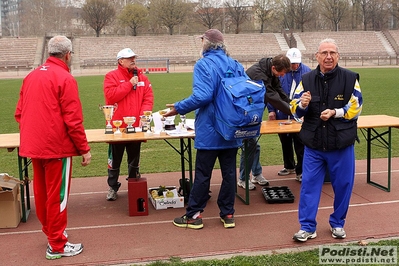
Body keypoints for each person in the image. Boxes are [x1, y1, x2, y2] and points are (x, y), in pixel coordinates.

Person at [14, 35, 92, 259]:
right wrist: (84, 149)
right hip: (56, 147)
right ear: (68, 55)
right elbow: (73, 120)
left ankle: (51, 234)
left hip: (34, 145)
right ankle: (57, 243)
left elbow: (19, 113)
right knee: (58, 196)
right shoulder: (65, 79)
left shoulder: (31, 76)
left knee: (42, 193)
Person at [164, 29, 243, 229]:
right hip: (232, 126)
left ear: (205, 43)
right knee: (229, 173)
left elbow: (203, 96)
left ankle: (194, 215)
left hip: (211, 128)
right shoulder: (236, 65)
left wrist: (178, 108)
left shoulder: (204, 64)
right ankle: (228, 213)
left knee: (203, 174)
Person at [291, 38, 363, 242]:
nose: (328, 57)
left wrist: (336, 112)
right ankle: (307, 227)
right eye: (324, 53)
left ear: (338, 56)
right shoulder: (306, 79)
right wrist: (302, 105)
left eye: (332, 53)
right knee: (308, 187)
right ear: (317, 56)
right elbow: (294, 109)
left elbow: (357, 106)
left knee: (343, 186)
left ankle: (338, 223)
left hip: (341, 144)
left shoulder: (350, 78)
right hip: (314, 145)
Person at [103, 48, 154, 201]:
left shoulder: (143, 78)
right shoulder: (111, 76)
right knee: (115, 159)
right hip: (117, 128)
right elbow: (110, 97)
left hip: (136, 127)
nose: (133, 60)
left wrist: (143, 117)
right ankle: (112, 187)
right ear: (121, 61)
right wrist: (128, 84)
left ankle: (134, 184)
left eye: (134, 58)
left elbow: (148, 98)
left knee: (134, 158)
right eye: (129, 58)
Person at [237, 54, 292, 190]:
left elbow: (279, 90)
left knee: (254, 144)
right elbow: (272, 96)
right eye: (280, 73)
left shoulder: (271, 71)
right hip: (243, 110)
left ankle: (256, 173)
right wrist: (293, 111)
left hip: (255, 108)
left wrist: (292, 104)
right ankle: (243, 178)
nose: (282, 76)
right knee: (249, 145)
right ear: (273, 68)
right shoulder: (258, 74)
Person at [268, 48, 311, 182]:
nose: (294, 65)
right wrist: (271, 110)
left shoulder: (307, 72)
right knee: (284, 141)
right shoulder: (280, 72)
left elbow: (310, 94)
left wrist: (305, 111)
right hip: (281, 111)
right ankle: (289, 166)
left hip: (298, 113)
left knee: (300, 142)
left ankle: (301, 171)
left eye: (296, 63)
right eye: (292, 63)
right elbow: (272, 92)